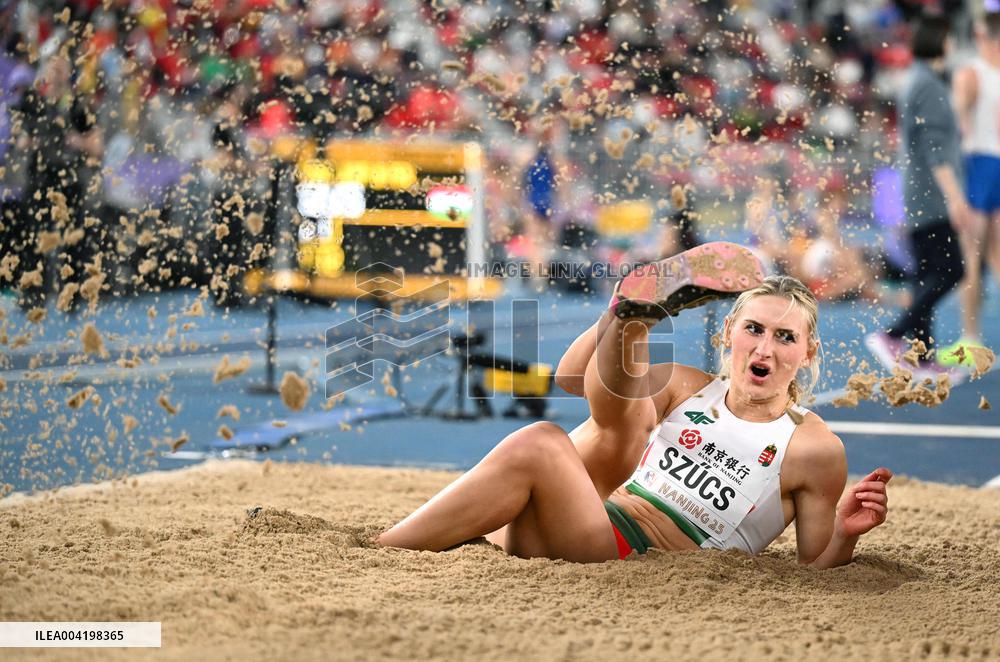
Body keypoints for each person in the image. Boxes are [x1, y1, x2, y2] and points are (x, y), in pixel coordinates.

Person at [377, 242, 892, 567]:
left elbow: (815, 568)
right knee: (615, 427)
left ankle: (386, 550)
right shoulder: (690, 388)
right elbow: (572, 378)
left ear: (808, 352)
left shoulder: (812, 446)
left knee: (543, 441)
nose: (764, 349)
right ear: (729, 334)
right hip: (582, 525)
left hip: (634, 559)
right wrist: (614, 315)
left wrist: (846, 534)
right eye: (753, 330)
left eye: (784, 337)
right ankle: (630, 316)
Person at [865, 14, 976, 374]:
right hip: (931, 196)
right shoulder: (927, 85)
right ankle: (895, 334)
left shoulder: (919, 80)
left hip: (919, 192)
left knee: (926, 273)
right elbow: (935, 148)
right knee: (952, 270)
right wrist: (955, 198)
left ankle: (922, 355)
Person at [938, 11, 1000, 366]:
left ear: (982, 37)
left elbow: (955, 127)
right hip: (989, 165)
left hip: (980, 164)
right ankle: (971, 340)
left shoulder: (970, 75)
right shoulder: (974, 74)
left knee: (971, 260)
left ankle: (971, 339)